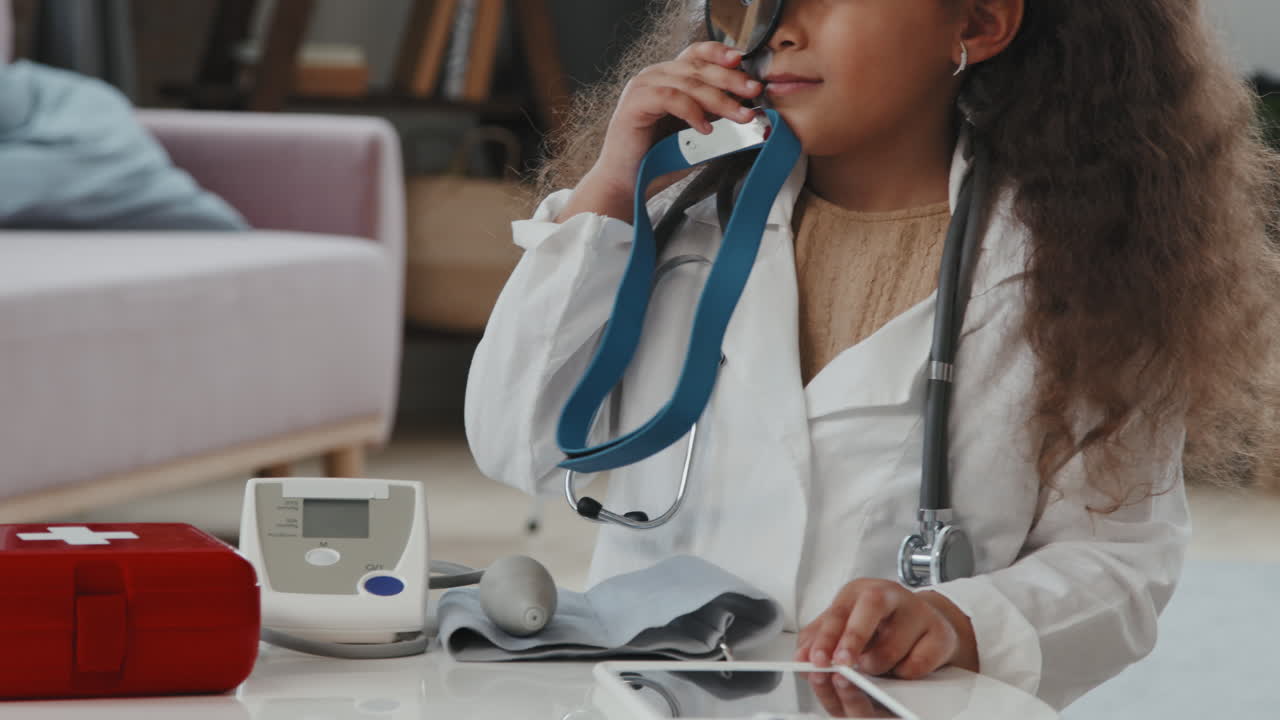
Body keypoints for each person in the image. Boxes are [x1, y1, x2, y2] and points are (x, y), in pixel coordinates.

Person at [464, 0, 1280, 710]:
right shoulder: (674, 220)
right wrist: (610, 190)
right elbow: (512, 440)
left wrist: (962, 622)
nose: (778, 29)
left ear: (978, 21)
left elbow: (1121, 563)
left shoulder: (1081, 274)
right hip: (655, 700)